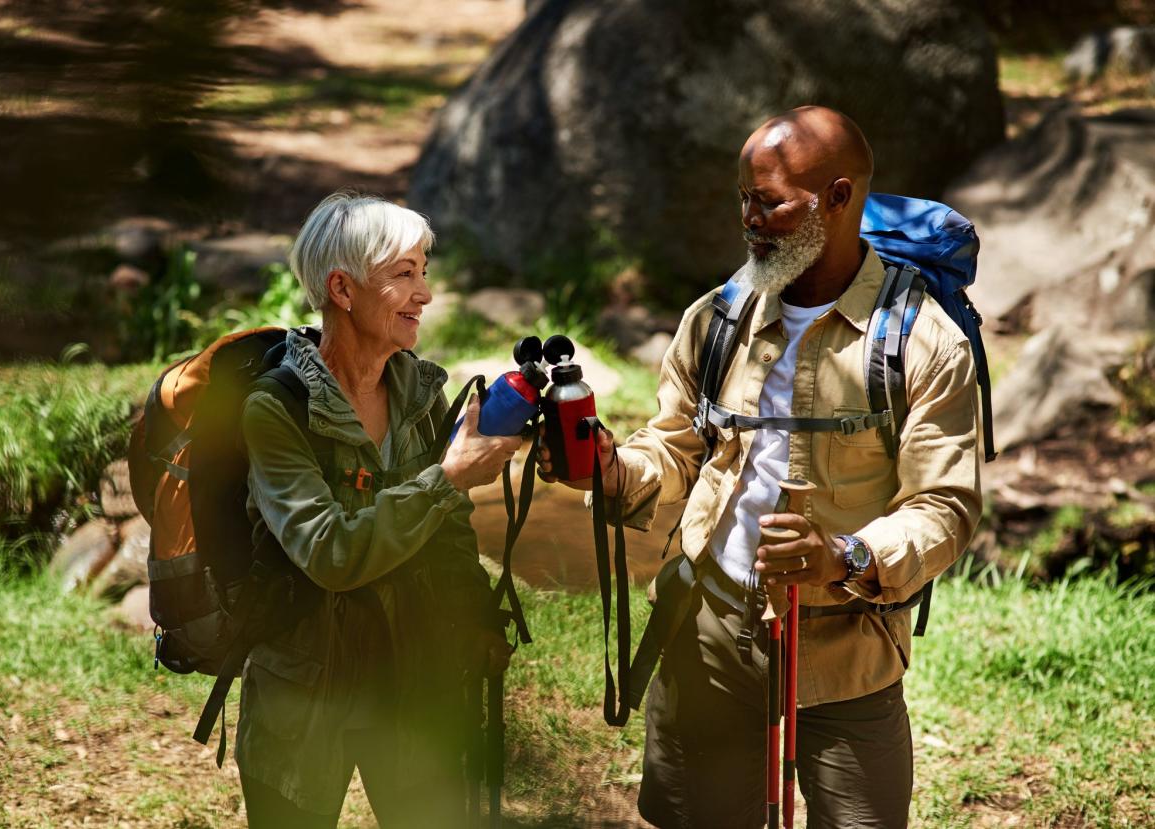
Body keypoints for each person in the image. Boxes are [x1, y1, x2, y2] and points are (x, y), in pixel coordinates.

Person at [538, 107, 983, 828]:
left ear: (839, 198)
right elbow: (677, 446)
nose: (749, 218)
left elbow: (945, 505)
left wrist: (844, 554)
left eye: (770, 202)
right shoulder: (716, 320)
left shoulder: (920, 341)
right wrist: (612, 470)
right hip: (707, 634)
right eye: (743, 197)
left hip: (846, 651)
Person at [235, 191, 519, 828]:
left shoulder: (416, 391)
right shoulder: (275, 409)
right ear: (341, 288)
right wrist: (447, 481)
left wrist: (475, 617)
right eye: (403, 274)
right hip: (305, 693)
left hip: (413, 678)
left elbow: (446, 532)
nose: (425, 293)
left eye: (424, 272)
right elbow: (330, 554)